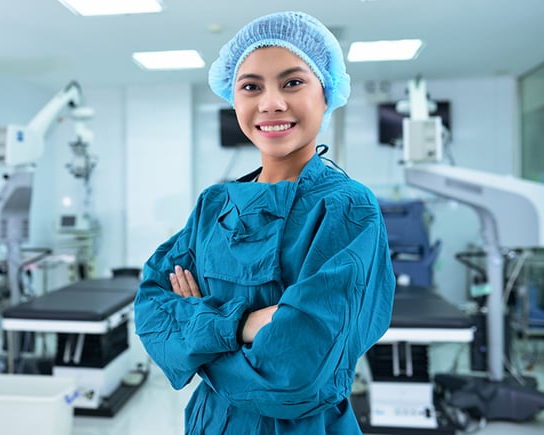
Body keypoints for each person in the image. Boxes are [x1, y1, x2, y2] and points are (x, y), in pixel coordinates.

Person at [134, 10, 395, 434]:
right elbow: (152, 310)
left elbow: (297, 375)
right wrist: (243, 325)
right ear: (233, 99)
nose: (271, 103)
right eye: (251, 86)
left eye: (292, 82)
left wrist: (199, 341)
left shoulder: (347, 208)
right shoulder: (214, 204)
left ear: (325, 94)